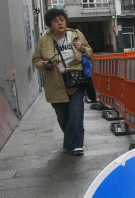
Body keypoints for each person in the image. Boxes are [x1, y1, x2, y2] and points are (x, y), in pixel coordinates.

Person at [32, 9, 93, 156]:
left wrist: (83, 49)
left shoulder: (76, 35)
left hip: (76, 81)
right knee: (63, 117)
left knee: (76, 113)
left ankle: (77, 145)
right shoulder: (43, 40)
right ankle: (70, 140)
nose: (60, 23)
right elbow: (36, 60)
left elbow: (90, 52)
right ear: (50, 24)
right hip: (55, 84)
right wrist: (45, 64)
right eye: (55, 21)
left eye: (62, 20)